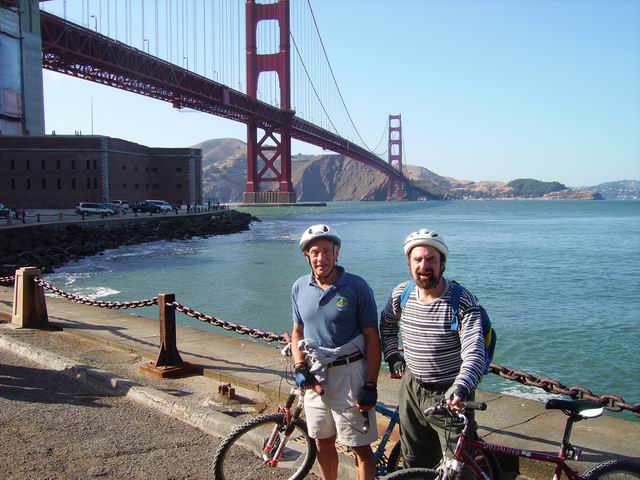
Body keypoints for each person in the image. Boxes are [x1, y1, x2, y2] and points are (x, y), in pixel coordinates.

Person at [379, 228, 486, 469]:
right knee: (415, 461)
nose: (424, 265)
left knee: (458, 465)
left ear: (442, 264)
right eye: (418, 259)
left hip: (450, 394)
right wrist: (393, 354)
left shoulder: (461, 301)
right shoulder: (401, 295)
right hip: (412, 388)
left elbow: (475, 351)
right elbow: (386, 324)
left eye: (431, 259)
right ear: (409, 263)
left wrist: (461, 387)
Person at [291, 224, 381, 480]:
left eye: (328, 251)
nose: (322, 258)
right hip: (316, 377)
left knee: (360, 447)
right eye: (315, 252)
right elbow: (297, 331)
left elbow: (372, 339)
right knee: (322, 442)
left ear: (337, 252)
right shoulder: (299, 287)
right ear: (307, 256)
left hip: (350, 374)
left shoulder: (357, 286)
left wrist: (371, 384)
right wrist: (300, 367)